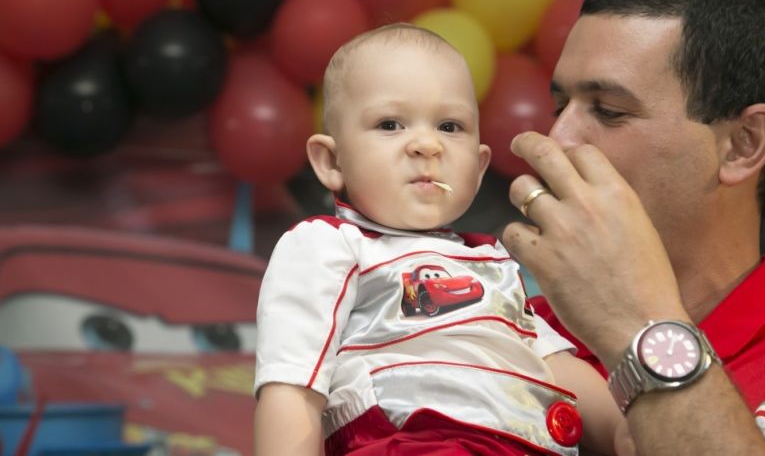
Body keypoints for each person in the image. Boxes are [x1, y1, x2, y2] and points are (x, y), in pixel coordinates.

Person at [253, 23, 627, 455]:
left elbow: (554, 364)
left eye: (450, 126)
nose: (428, 145)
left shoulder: (491, 262)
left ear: (479, 165)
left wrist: (629, 436)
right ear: (332, 161)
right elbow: (293, 387)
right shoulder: (329, 245)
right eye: (390, 124)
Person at [502, 0, 765, 455]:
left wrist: (634, 325)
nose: (558, 136)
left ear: (743, 144)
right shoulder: (508, 332)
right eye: (560, 107)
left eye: (610, 111)